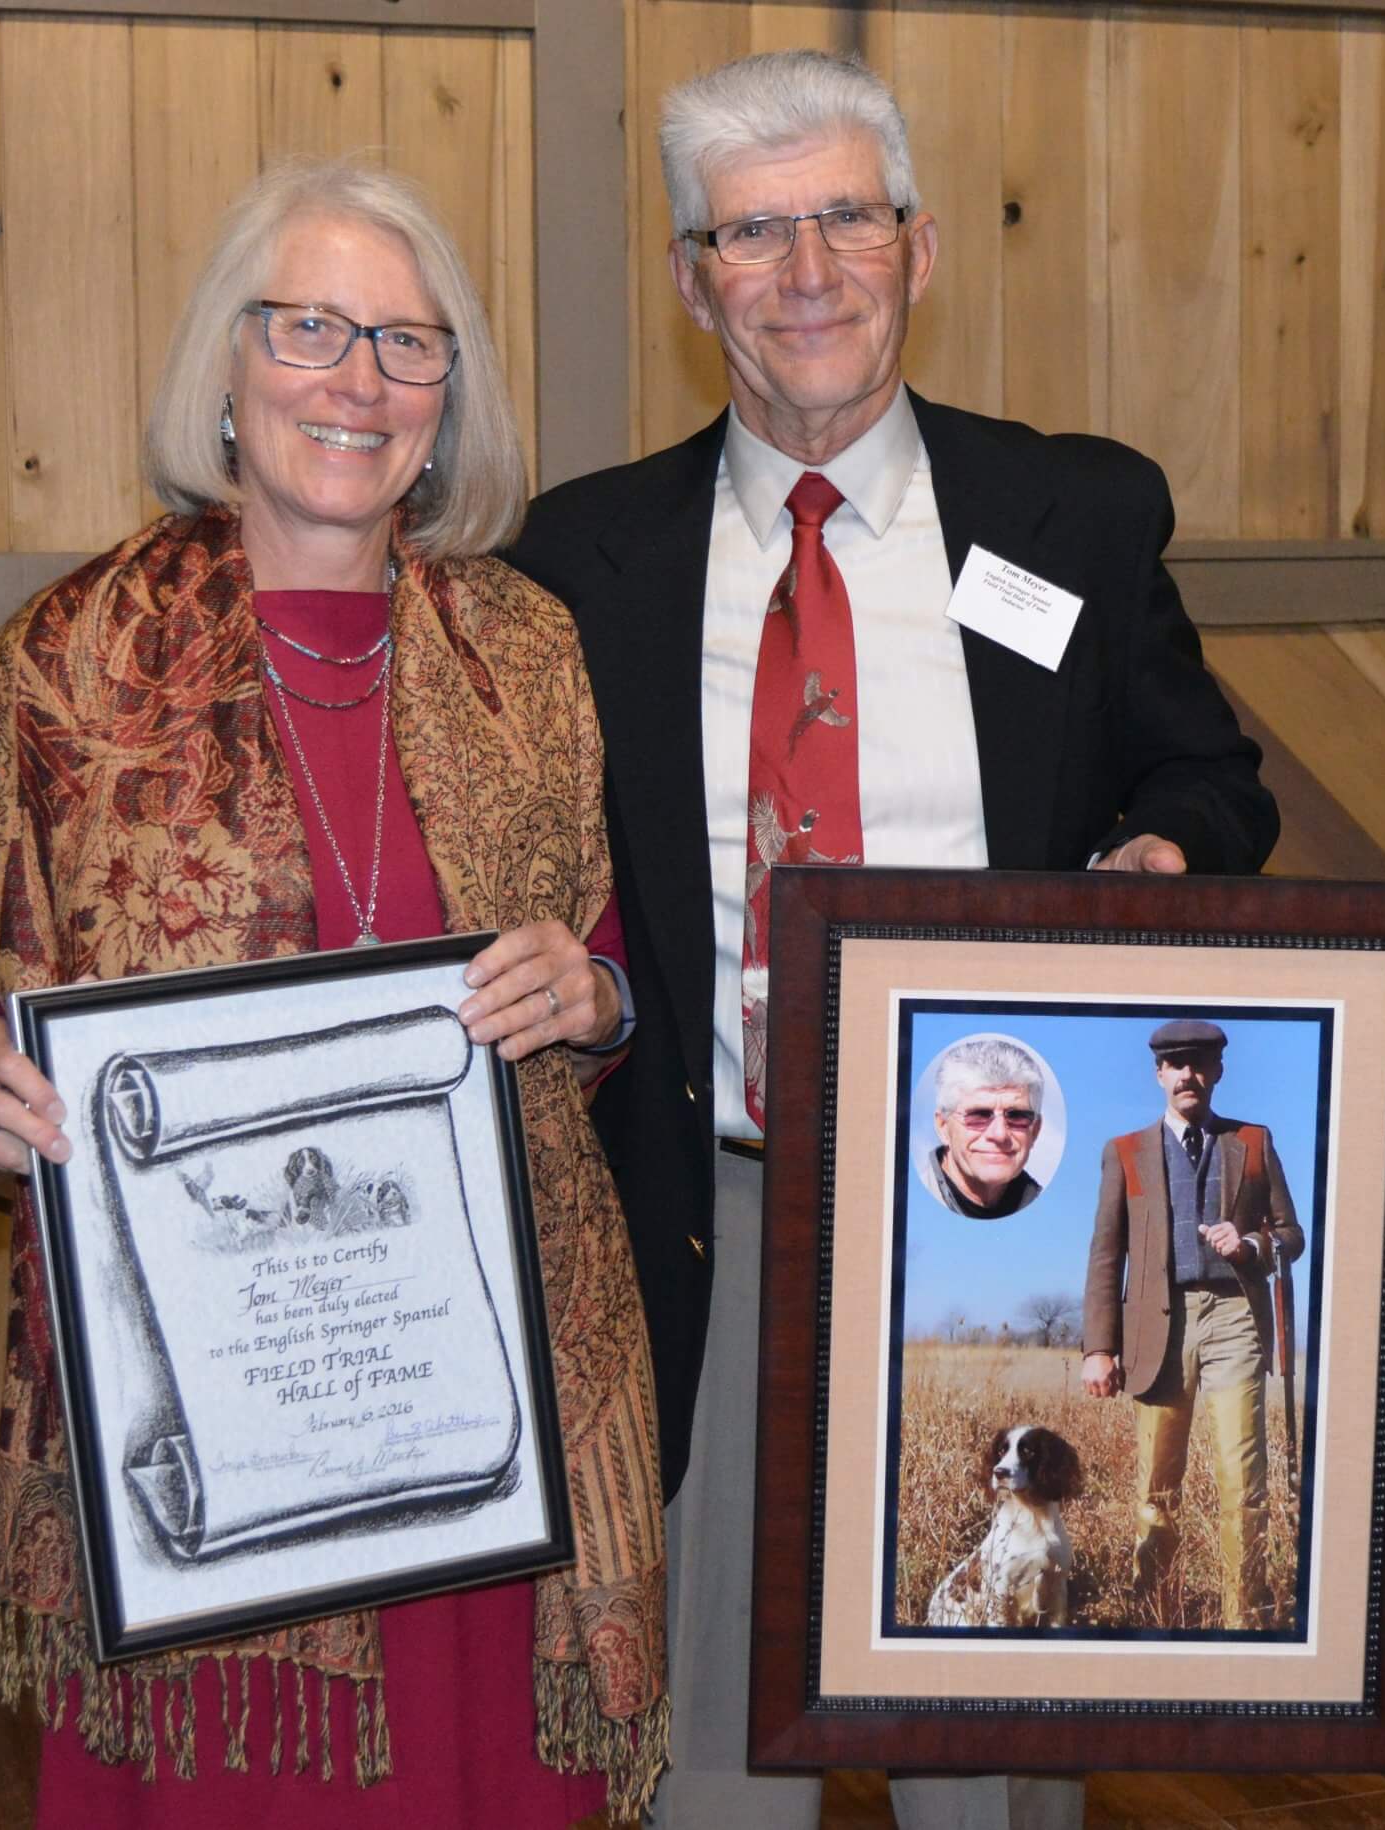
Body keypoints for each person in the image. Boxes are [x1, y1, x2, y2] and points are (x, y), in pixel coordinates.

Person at [503, 48, 1278, 1830]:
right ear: (692, 278)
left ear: (919, 248)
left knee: (988, 1740)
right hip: (714, 1213)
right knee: (712, 1762)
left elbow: (1211, 773)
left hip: (992, 1226)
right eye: (752, 233)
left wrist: (1163, 851)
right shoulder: (578, 561)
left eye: (846, 218)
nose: (807, 271)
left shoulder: (1075, 517)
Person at [0, 157, 667, 1826]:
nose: (358, 382)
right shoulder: (58, 671)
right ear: (228, 364)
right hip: (218, 1418)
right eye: (310, 328)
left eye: (409, 345)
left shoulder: (531, 654)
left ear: (449, 399)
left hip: (476, 1395)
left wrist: (592, 997)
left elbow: (608, 968)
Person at [1081, 1019, 1304, 1632]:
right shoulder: (1124, 1152)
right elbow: (1106, 1253)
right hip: (1158, 1326)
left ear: (1218, 1071)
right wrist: (1099, 1346)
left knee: (1244, 1481)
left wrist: (1252, 1243)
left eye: (1200, 1063)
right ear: (1159, 1074)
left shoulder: (1252, 1141)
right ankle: (1154, 1614)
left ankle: (1243, 1620)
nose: (1189, 1075)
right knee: (1157, 1484)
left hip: (1236, 1317)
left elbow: (1291, 1234)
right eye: (1176, 1064)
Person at [916, 1036, 1049, 1218]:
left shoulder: (1051, 1214)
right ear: (943, 1127)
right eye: (978, 1115)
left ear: (1035, 1130)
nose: (999, 1134)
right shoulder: (909, 1206)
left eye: (1016, 1116)